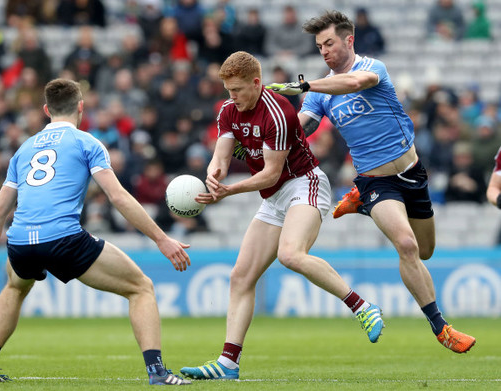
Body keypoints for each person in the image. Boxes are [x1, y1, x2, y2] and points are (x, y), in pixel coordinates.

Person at [266, 10, 476, 354]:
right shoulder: (318, 93)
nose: (324, 51)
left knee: (425, 250)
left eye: (329, 43)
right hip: (377, 183)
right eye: (319, 46)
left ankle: (360, 206)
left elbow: (352, 83)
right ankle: (442, 328)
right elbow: (303, 126)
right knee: (406, 246)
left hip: (412, 174)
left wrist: (306, 85)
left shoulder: (373, 68)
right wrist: (272, 134)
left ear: (349, 39)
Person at [0, 78, 191, 385]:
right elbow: (118, 197)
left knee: (15, 287)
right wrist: (162, 239)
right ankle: (157, 372)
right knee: (141, 287)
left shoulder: (24, 149)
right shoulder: (87, 142)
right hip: (62, 238)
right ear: (81, 107)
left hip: (19, 241)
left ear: (46, 110)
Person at [179, 51, 384, 381]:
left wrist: (228, 191)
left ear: (257, 84)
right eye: (228, 91)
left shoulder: (278, 112)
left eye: (238, 90)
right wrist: (213, 176)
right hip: (274, 199)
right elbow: (221, 154)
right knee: (241, 277)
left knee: (291, 254)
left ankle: (362, 307)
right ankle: (228, 363)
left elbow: (271, 174)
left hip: (304, 184)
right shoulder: (229, 111)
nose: (232, 97)